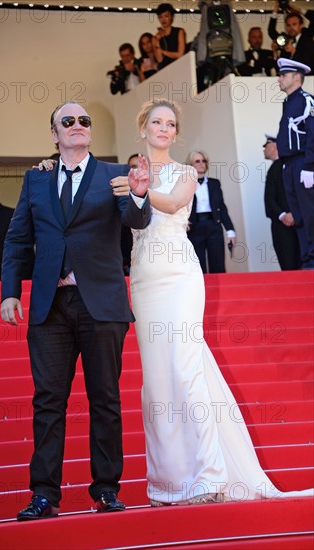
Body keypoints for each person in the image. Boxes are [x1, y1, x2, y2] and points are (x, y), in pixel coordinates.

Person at [122, 98, 314, 505]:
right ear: (143, 127)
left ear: (175, 131)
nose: (163, 128)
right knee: (157, 382)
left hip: (180, 277)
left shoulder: (186, 173)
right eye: (156, 121)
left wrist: (138, 189)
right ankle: (168, 484)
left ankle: (210, 478)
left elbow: (173, 204)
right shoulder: (123, 175)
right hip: (143, 280)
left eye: (170, 123)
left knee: (186, 366)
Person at [0, 101, 151, 520]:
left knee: (105, 399)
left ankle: (106, 489)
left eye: (84, 120)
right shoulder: (35, 179)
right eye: (68, 121)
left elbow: (136, 221)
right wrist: (10, 292)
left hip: (101, 302)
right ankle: (44, 495)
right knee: (48, 401)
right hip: (50, 305)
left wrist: (139, 193)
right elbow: (16, 241)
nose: (78, 126)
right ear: (54, 134)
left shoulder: (116, 174)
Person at [276, 58, 314, 270]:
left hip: (303, 163)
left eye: (284, 75)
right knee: (299, 215)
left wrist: (310, 166)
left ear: (297, 77)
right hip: (290, 165)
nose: (279, 79)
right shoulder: (288, 102)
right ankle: (307, 261)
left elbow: (313, 135)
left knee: (310, 214)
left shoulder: (306, 100)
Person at [185, 151, 235, 274]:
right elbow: (180, 205)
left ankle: (221, 292)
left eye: (204, 161)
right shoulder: (185, 184)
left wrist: (230, 231)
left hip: (214, 225)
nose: (201, 164)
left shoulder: (214, 183)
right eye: (197, 161)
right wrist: (183, 221)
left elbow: (222, 208)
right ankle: (202, 293)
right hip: (194, 227)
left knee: (218, 264)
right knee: (198, 266)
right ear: (190, 164)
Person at [263, 134, 301, 270]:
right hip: (281, 223)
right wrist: (282, 215)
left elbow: (302, 193)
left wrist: (295, 214)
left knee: (303, 263)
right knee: (288, 263)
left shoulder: (295, 166)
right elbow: (270, 198)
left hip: (300, 222)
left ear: (274, 147)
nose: (263, 149)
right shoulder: (274, 169)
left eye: (265, 146)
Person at [268, 2, 314, 74]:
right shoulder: (285, 40)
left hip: (308, 81)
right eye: (288, 25)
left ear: (301, 25)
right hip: (288, 81)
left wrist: (297, 9)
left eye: (294, 24)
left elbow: (306, 64)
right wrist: (275, 11)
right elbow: (271, 31)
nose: (291, 28)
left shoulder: (307, 38)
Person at [153, 3, 186, 71]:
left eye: (166, 16)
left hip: (178, 68)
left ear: (172, 16)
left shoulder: (179, 32)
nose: (163, 19)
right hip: (164, 70)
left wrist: (163, 52)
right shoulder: (156, 37)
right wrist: (157, 41)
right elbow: (159, 59)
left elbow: (180, 54)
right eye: (160, 17)